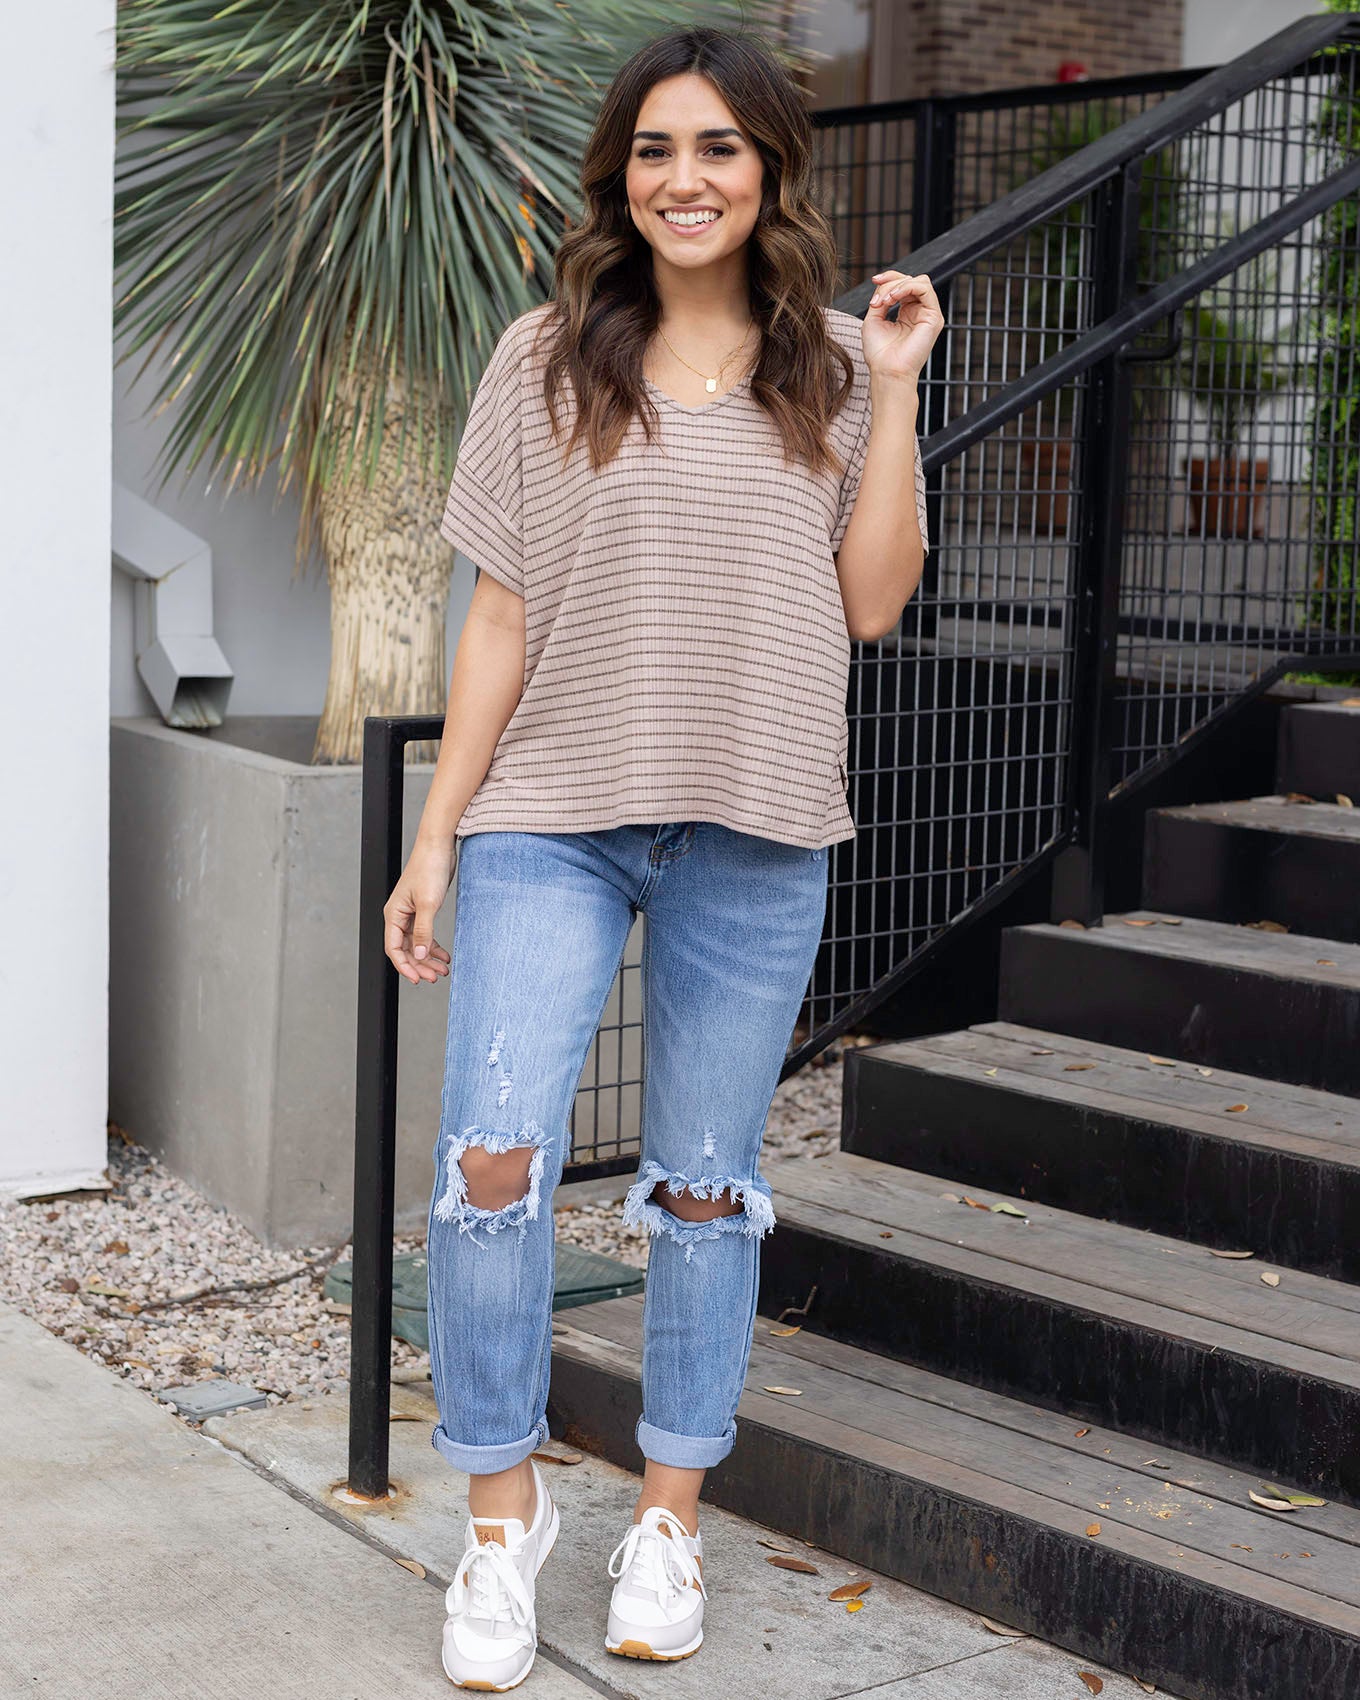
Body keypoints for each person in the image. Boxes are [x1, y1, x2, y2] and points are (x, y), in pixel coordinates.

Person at [382, 23, 941, 1693]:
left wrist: (899, 391)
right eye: (653, 149)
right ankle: (501, 1521)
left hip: (757, 826)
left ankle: (669, 1522)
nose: (682, 180)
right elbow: (500, 615)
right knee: (492, 1161)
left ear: (768, 170)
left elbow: (874, 601)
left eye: (716, 148)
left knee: (704, 1190)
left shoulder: (836, 366)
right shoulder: (545, 357)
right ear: (617, 175)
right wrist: (436, 837)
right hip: (552, 815)